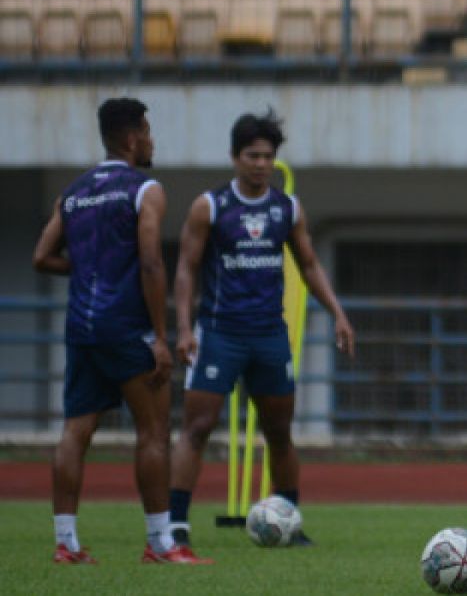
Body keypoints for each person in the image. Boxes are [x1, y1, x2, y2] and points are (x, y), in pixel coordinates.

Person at [33, 98, 210, 564]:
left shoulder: (72, 193)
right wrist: (159, 336)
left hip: (81, 328)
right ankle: (161, 545)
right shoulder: (145, 188)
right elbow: (152, 260)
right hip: (127, 326)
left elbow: (42, 257)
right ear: (133, 138)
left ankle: (66, 545)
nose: (151, 141)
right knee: (153, 432)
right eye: (148, 132)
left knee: (75, 433)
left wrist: (90, 268)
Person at [167, 108, 355, 548]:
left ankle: (288, 519)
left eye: (268, 156)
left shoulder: (286, 208)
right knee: (197, 428)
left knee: (279, 433)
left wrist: (338, 313)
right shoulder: (210, 206)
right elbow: (185, 269)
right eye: (252, 155)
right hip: (218, 334)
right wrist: (183, 328)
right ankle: (175, 524)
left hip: (269, 335)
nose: (261, 164)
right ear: (235, 157)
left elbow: (308, 264)